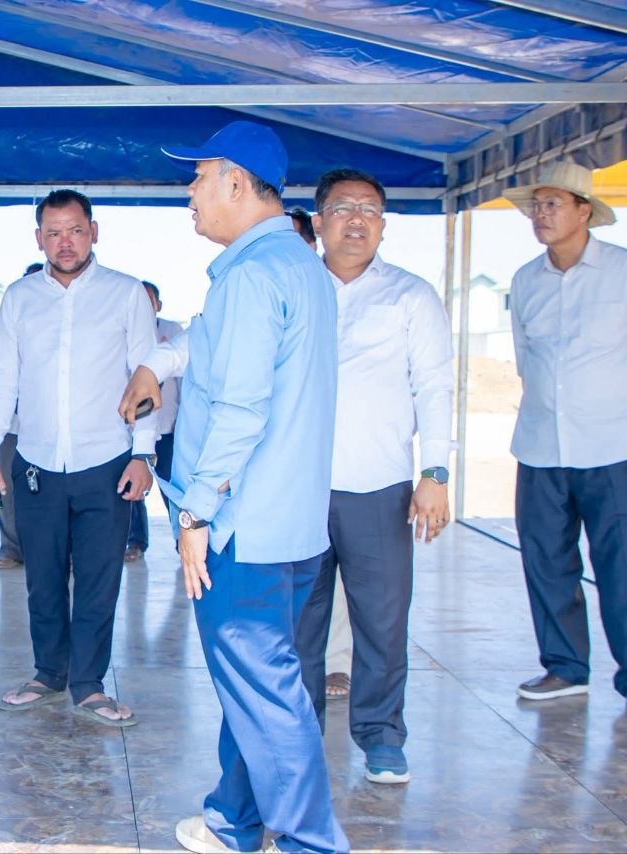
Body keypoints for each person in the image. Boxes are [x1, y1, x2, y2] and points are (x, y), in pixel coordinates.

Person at [127, 120, 348, 852]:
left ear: (234, 181)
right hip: (290, 523)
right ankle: (234, 819)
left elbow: (241, 408)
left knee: (266, 690)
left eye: (198, 177)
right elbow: (223, 356)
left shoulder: (253, 277)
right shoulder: (297, 266)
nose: (189, 193)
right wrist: (159, 363)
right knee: (256, 684)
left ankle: (312, 842)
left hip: (242, 526)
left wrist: (196, 515)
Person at [293, 168, 454, 786]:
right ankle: (299, 734)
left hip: (379, 487)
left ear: (383, 225)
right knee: (300, 622)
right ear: (319, 222)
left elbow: (434, 386)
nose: (356, 220)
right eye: (342, 208)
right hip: (298, 487)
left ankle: (382, 737)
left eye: (369, 209)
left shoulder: (410, 296)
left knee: (382, 621)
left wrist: (434, 472)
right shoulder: (294, 288)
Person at [0, 189, 157, 727]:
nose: (65, 242)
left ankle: (89, 684)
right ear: (39, 239)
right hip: (35, 462)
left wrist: (143, 454)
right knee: (43, 576)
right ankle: (49, 672)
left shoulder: (126, 294)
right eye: (53, 233)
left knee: (100, 578)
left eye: (75, 230)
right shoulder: (19, 298)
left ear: (93, 232)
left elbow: (145, 378)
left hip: (108, 460)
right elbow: (2, 379)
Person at [502, 160, 627, 704]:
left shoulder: (621, 272)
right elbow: (524, 359)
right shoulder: (525, 280)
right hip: (540, 447)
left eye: (553, 204)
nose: (541, 214)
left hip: (613, 448)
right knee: (546, 563)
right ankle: (565, 667)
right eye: (536, 205)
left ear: (584, 212)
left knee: (621, 567)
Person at [290, 204, 353, 702]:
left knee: (344, 577)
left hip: (350, 462)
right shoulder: (270, 292)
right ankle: (296, 661)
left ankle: (337, 662)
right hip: (290, 463)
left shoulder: (334, 290)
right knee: (298, 574)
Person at [0, 262, 44, 571]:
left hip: (53, 429)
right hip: (11, 427)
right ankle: (11, 549)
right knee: (8, 490)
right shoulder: (4, 326)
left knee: (55, 495)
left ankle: (63, 554)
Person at [124, 280, 184, 563]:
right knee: (133, 487)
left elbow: (185, 381)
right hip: (133, 429)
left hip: (169, 427)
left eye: (150, 301)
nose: (146, 306)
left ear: (158, 305)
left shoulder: (173, 331)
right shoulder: (126, 331)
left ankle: (183, 539)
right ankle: (136, 541)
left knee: (173, 487)